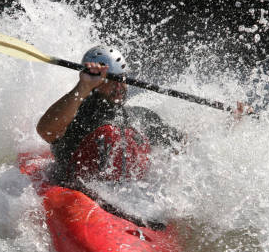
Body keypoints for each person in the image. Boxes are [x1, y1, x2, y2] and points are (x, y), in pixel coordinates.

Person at [37, 45, 185, 187]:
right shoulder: (76, 116)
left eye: (122, 78)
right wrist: (84, 86)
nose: (119, 86)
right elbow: (46, 131)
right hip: (76, 193)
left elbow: (179, 144)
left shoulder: (140, 116)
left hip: (131, 196)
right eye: (111, 80)